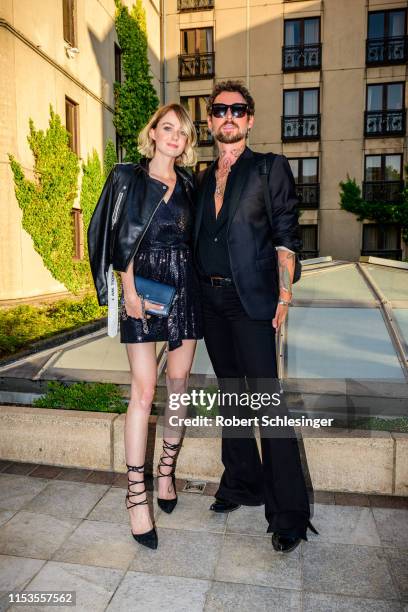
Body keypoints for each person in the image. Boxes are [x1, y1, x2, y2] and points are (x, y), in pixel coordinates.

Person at [194, 80, 318, 553]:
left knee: (266, 399)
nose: (228, 116)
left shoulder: (269, 168)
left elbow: (287, 234)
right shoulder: (203, 177)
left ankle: (288, 514)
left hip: (253, 303)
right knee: (230, 394)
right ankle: (241, 482)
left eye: (237, 110)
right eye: (220, 110)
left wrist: (283, 299)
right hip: (212, 302)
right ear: (210, 120)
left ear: (249, 119)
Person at [87, 103, 203, 550]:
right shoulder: (127, 178)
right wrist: (128, 290)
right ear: (152, 132)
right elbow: (119, 236)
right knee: (143, 390)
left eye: (182, 132)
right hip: (144, 288)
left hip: (185, 287)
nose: (174, 136)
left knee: (179, 384)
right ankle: (137, 498)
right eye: (167, 128)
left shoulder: (191, 184)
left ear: (187, 142)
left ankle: (166, 473)